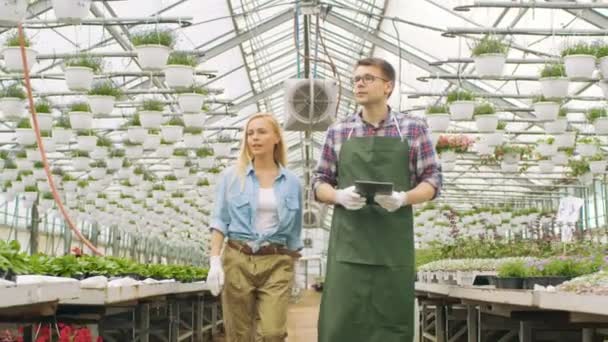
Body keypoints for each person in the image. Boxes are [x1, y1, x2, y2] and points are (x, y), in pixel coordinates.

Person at [313, 57, 442, 341]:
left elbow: (433, 180)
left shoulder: (412, 129)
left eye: (368, 78)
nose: (359, 83)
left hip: (391, 248)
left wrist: (404, 197)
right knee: (342, 324)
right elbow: (318, 182)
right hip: (348, 247)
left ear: (388, 87)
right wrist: (337, 196)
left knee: (390, 322)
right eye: (356, 78)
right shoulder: (338, 131)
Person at [206, 113, 303, 342]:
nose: (254, 138)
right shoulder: (232, 177)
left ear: (276, 138)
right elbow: (220, 220)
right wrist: (214, 261)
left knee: (273, 333)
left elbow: (294, 232)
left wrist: (295, 268)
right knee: (239, 334)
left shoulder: (292, 182)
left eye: (261, 132)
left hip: (277, 261)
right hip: (238, 258)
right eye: (250, 133)